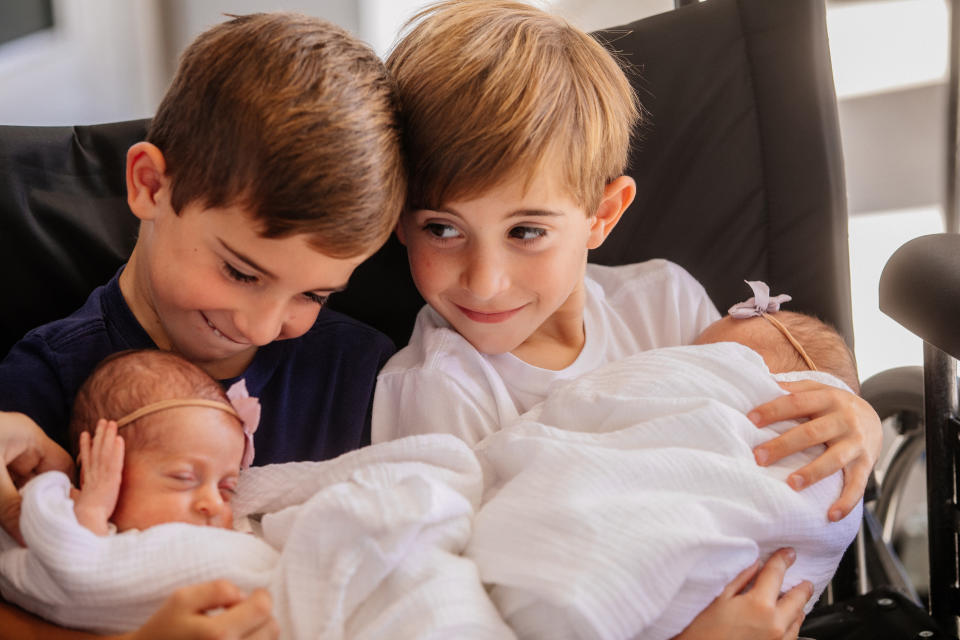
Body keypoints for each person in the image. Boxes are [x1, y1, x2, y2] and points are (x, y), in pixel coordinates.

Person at [371, 2, 881, 638]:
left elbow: (749, 438)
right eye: (441, 228)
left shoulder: (662, 301)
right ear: (399, 220)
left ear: (602, 215)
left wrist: (849, 412)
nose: (483, 279)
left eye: (526, 230)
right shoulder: (432, 387)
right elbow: (453, 606)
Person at [0, 11, 404, 639]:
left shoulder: (360, 374)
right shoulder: (44, 382)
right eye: (242, 273)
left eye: (315, 295)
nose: (264, 327)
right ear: (149, 185)